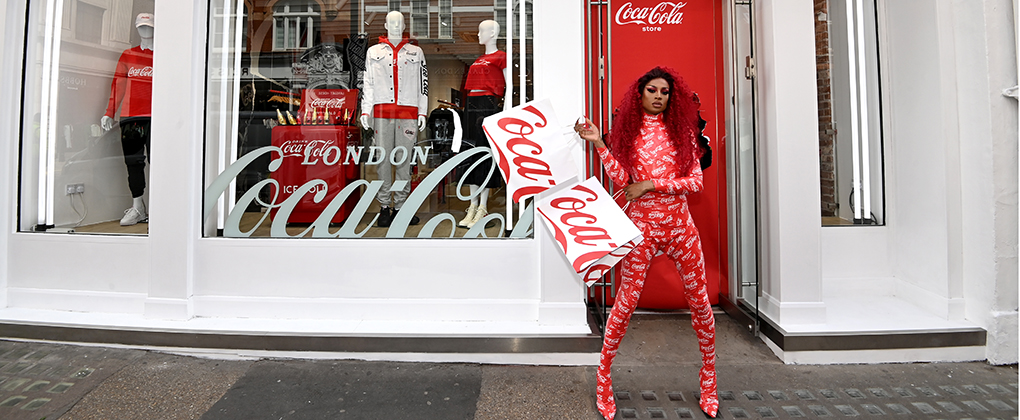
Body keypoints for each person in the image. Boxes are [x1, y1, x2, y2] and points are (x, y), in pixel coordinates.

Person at [575, 66, 718, 419]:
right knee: (625, 304)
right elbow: (623, 180)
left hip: (681, 228)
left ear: (672, 97)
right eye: (652, 90)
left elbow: (696, 182)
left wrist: (650, 185)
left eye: (664, 91)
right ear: (639, 94)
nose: (658, 96)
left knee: (700, 304)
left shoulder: (682, 132)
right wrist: (598, 143)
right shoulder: (629, 132)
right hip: (641, 228)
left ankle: (710, 379)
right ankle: (604, 378)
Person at [360, 11, 427, 228]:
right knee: (382, 161)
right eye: (392, 22)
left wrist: (422, 112)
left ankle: (400, 207)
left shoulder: (416, 52)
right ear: (386, 25)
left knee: (403, 162)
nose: (396, 25)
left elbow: (423, 85)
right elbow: (368, 83)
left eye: (400, 22)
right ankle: (383, 208)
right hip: (381, 113)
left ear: (405, 24)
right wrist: (365, 111)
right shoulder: (373, 51)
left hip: (408, 113)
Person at [102, 13, 154, 226]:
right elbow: (118, 85)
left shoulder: (164, 55)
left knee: (160, 163)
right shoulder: (128, 55)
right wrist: (109, 112)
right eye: (141, 27)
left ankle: (161, 206)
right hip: (131, 117)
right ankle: (138, 207)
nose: (145, 31)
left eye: (148, 27)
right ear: (136, 28)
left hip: (157, 117)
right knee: (133, 162)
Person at [457, 20, 506, 229]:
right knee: (471, 155)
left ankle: (483, 207)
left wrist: (504, 112)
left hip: (488, 105)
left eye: (481, 31)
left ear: (493, 33)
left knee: (485, 155)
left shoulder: (500, 57)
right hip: (472, 105)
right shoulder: (478, 59)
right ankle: (472, 206)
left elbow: (508, 84)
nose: (478, 35)